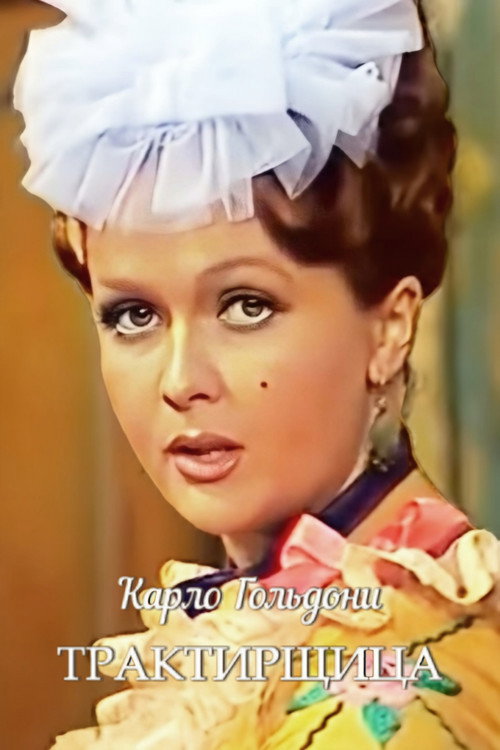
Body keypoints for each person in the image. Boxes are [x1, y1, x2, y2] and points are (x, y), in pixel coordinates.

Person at [13, 0, 500, 747]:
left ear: (390, 327)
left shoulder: (388, 700)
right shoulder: (272, 631)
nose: (181, 379)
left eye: (246, 306)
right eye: (134, 315)